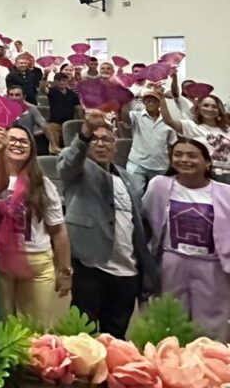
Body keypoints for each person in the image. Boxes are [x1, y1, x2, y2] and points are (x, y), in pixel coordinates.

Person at [58, 111, 157, 337]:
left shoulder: (127, 178)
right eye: (95, 139)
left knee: (116, 337)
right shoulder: (79, 169)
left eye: (107, 140)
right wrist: (84, 135)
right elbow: (68, 163)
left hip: (127, 270)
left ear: (115, 146)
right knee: (83, 337)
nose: (101, 144)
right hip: (92, 265)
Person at [143, 138, 230, 340]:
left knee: (211, 324)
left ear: (207, 162)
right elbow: (144, 221)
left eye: (192, 155)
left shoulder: (225, 193)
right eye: (178, 154)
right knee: (171, 318)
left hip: (212, 265)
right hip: (172, 261)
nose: (184, 159)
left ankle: (209, 357)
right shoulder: (159, 186)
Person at [0, 126, 72, 328]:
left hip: (37, 263)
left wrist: (65, 271)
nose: (17, 144)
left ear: (32, 149)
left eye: (23, 141)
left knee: (36, 328)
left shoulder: (42, 184)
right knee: (1, 327)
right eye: (12, 139)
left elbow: (58, 230)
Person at [160, 92, 230, 182]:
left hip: (227, 174)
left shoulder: (227, 129)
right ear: (199, 108)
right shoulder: (191, 126)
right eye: (205, 105)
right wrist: (162, 99)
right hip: (204, 174)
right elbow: (168, 121)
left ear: (219, 110)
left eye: (214, 106)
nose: (210, 109)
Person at [121, 90, 176, 197]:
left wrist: (170, 165)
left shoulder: (167, 121)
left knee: (159, 195)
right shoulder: (136, 116)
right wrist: (125, 98)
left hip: (160, 165)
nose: (151, 102)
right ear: (144, 102)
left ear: (159, 103)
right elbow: (125, 117)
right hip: (137, 162)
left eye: (154, 100)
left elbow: (171, 144)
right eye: (148, 99)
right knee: (134, 193)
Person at [6, 85, 50, 156]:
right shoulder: (2, 110)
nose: (14, 98)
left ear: (24, 97)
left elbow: (44, 125)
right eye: (11, 95)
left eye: (17, 95)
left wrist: (53, 144)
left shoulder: (31, 109)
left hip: (26, 143)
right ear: (7, 96)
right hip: (7, 143)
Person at [46, 72, 81, 153]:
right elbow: (42, 89)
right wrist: (45, 76)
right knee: (51, 128)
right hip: (55, 123)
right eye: (59, 80)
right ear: (55, 81)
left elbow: (77, 108)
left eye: (64, 80)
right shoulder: (51, 91)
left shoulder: (72, 94)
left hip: (69, 123)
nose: (61, 82)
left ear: (67, 81)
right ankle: (53, 153)